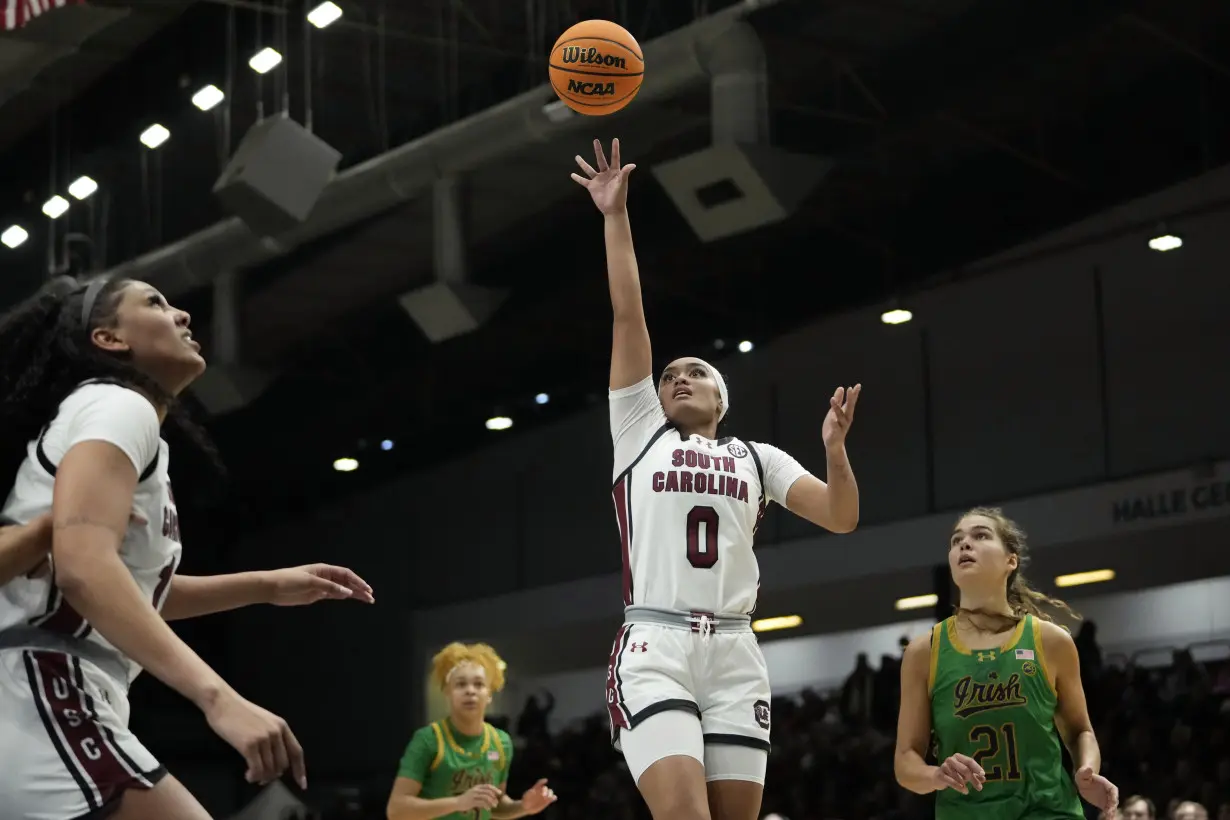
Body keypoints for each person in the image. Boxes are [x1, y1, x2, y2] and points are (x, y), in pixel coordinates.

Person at [0, 276, 375, 820]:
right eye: (156, 303)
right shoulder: (117, 406)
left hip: (43, 690)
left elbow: (126, 590)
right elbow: (85, 572)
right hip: (41, 684)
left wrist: (268, 585)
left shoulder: (113, 419)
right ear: (109, 339)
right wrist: (218, 698)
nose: (182, 315)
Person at [570, 138, 862, 820]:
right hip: (657, 643)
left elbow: (842, 517)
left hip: (735, 648)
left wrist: (835, 450)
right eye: (670, 374)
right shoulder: (640, 433)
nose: (677, 378)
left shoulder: (757, 458)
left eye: (694, 372)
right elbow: (628, 314)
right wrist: (615, 217)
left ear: (721, 397)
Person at [894, 507, 1119, 819]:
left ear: (1010, 561)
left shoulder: (1051, 641)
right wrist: (936, 775)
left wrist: (1086, 771)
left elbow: (1081, 730)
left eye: (980, 535)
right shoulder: (924, 652)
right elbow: (905, 760)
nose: (964, 544)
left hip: (1048, 811)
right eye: (956, 540)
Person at [386, 642, 557, 820]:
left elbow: (495, 806)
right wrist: (458, 802)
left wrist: (524, 807)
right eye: (460, 685)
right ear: (447, 691)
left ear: (489, 694)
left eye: (478, 684)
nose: (470, 691)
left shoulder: (501, 742)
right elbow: (396, 810)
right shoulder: (428, 740)